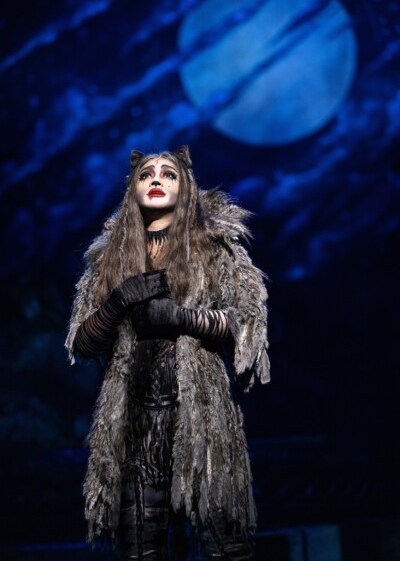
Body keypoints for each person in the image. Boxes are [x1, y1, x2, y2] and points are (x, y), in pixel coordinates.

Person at [65, 146, 270, 560]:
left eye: (168, 174)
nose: (156, 178)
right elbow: (81, 342)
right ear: (132, 188)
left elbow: (246, 323)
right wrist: (118, 301)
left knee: (226, 546)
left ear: (185, 187)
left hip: (203, 422)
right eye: (146, 174)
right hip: (133, 426)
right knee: (142, 548)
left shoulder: (215, 247)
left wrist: (182, 317)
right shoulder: (109, 258)